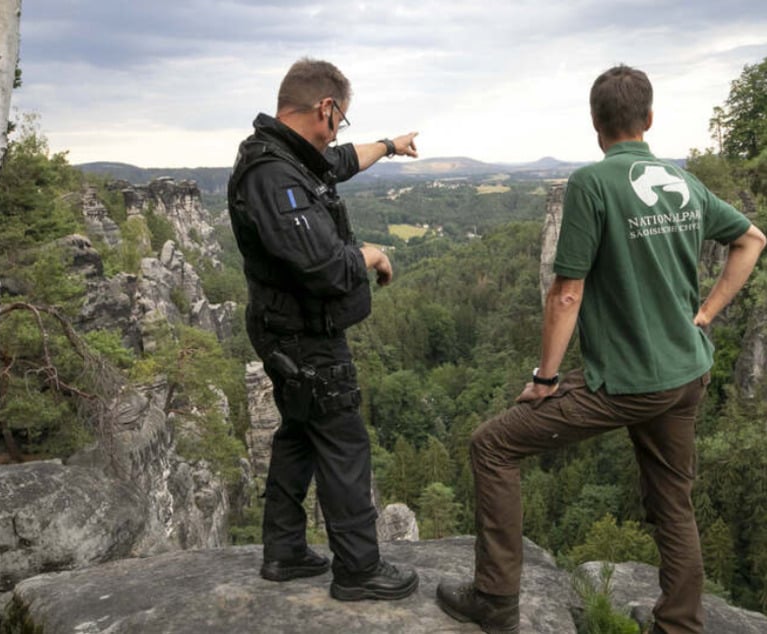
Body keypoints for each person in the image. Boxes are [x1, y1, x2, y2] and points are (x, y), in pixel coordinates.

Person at [436, 64, 766, 633]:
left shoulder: (593, 183)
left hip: (629, 383)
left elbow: (566, 294)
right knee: (674, 503)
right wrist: (706, 315)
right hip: (687, 374)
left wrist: (544, 378)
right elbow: (751, 238)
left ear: (596, 125)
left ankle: (494, 600)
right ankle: (681, 624)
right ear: (650, 119)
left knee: (491, 446)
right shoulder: (683, 182)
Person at [227, 57, 420, 601]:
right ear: (326, 108)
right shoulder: (273, 173)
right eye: (342, 119)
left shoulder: (288, 155)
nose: (339, 132)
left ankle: (284, 551)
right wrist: (372, 255)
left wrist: (388, 144)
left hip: (290, 330)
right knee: (343, 441)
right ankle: (359, 570)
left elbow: (337, 161)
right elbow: (322, 264)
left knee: (300, 434)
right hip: (302, 335)